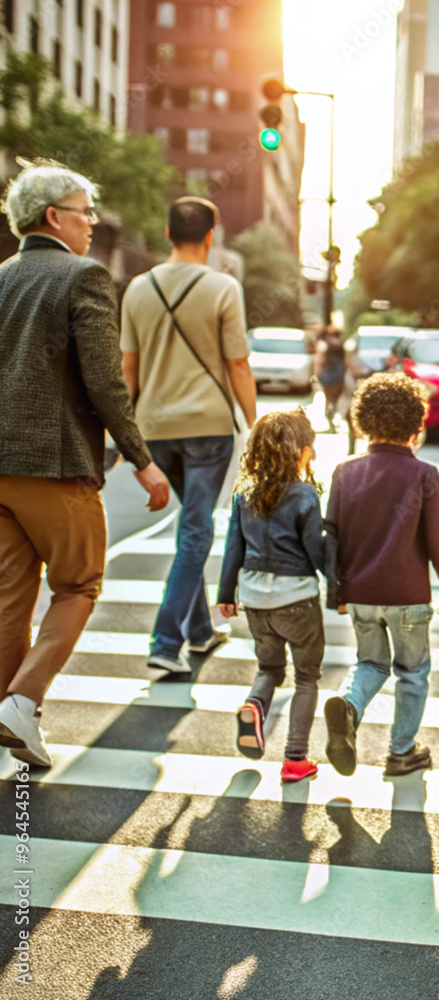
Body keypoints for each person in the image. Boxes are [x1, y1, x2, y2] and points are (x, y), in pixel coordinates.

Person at [0, 160, 170, 767]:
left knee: (10, 598)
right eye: (84, 212)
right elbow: (105, 380)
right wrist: (142, 459)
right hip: (56, 465)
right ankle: (21, 703)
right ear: (53, 217)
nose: (92, 223)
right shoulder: (84, 276)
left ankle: (10, 716)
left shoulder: (2, 277)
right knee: (77, 585)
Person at [121, 196, 257, 675]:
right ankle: (166, 640)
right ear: (210, 237)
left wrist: (123, 435)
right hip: (208, 427)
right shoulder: (223, 287)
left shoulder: (138, 288)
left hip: (153, 429)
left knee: (191, 528)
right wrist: (254, 423)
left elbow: (128, 369)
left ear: (166, 233)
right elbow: (238, 364)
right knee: (197, 529)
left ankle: (199, 631)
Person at [323, 373, 439, 780]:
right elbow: (437, 540)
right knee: (412, 673)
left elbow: (331, 537)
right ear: (416, 425)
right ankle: (401, 752)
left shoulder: (344, 472)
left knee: (370, 662)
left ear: (362, 421)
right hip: (408, 597)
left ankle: (349, 706)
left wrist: (337, 593)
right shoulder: (423, 474)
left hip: (359, 595)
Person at [217, 410, 326, 783]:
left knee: (269, 669)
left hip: (255, 602)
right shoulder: (304, 494)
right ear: (303, 453)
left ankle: (254, 704)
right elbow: (315, 550)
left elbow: (233, 546)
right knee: (306, 677)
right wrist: (339, 587)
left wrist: (226, 593)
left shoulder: (244, 494)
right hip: (297, 600)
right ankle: (295, 759)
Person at [314, 324, 346, 429]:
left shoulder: (324, 343)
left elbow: (320, 359)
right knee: (335, 398)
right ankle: (332, 416)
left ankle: (329, 418)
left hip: (327, 373)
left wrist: (316, 374)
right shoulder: (341, 343)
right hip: (338, 373)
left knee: (327, 397)